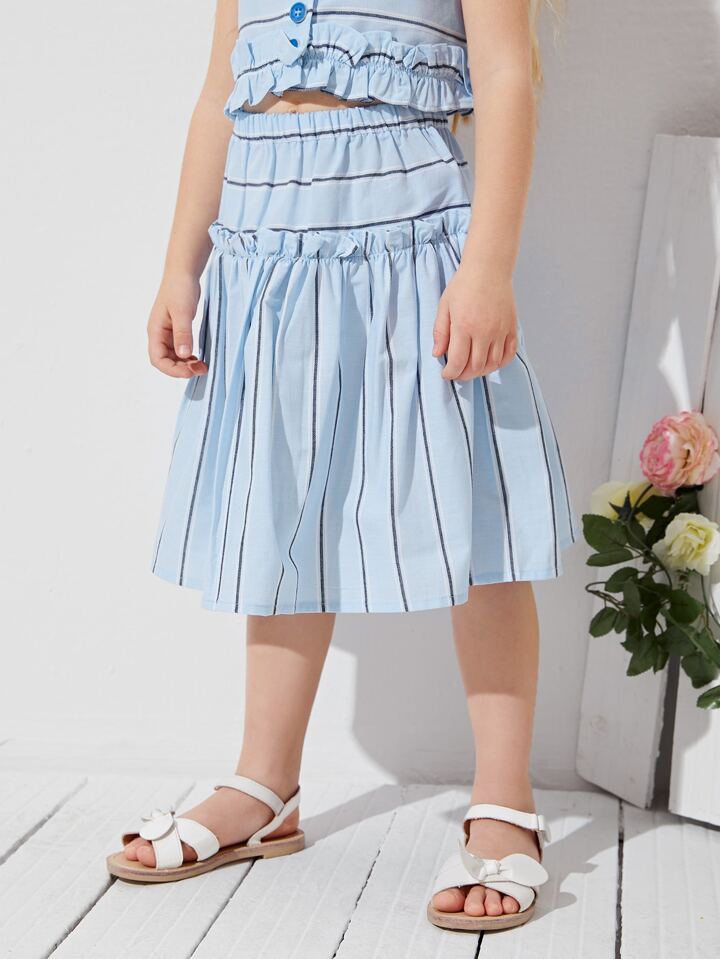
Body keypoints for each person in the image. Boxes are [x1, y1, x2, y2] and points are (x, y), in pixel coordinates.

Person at [106, 0, 579, 932]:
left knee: (471, 511)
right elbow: (218, 94)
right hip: (267, 261)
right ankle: (265, 782)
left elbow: (505, 77)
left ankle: (503, 798)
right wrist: (180, 265)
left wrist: (488, 266)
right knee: (280, 506)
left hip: (414, 249)